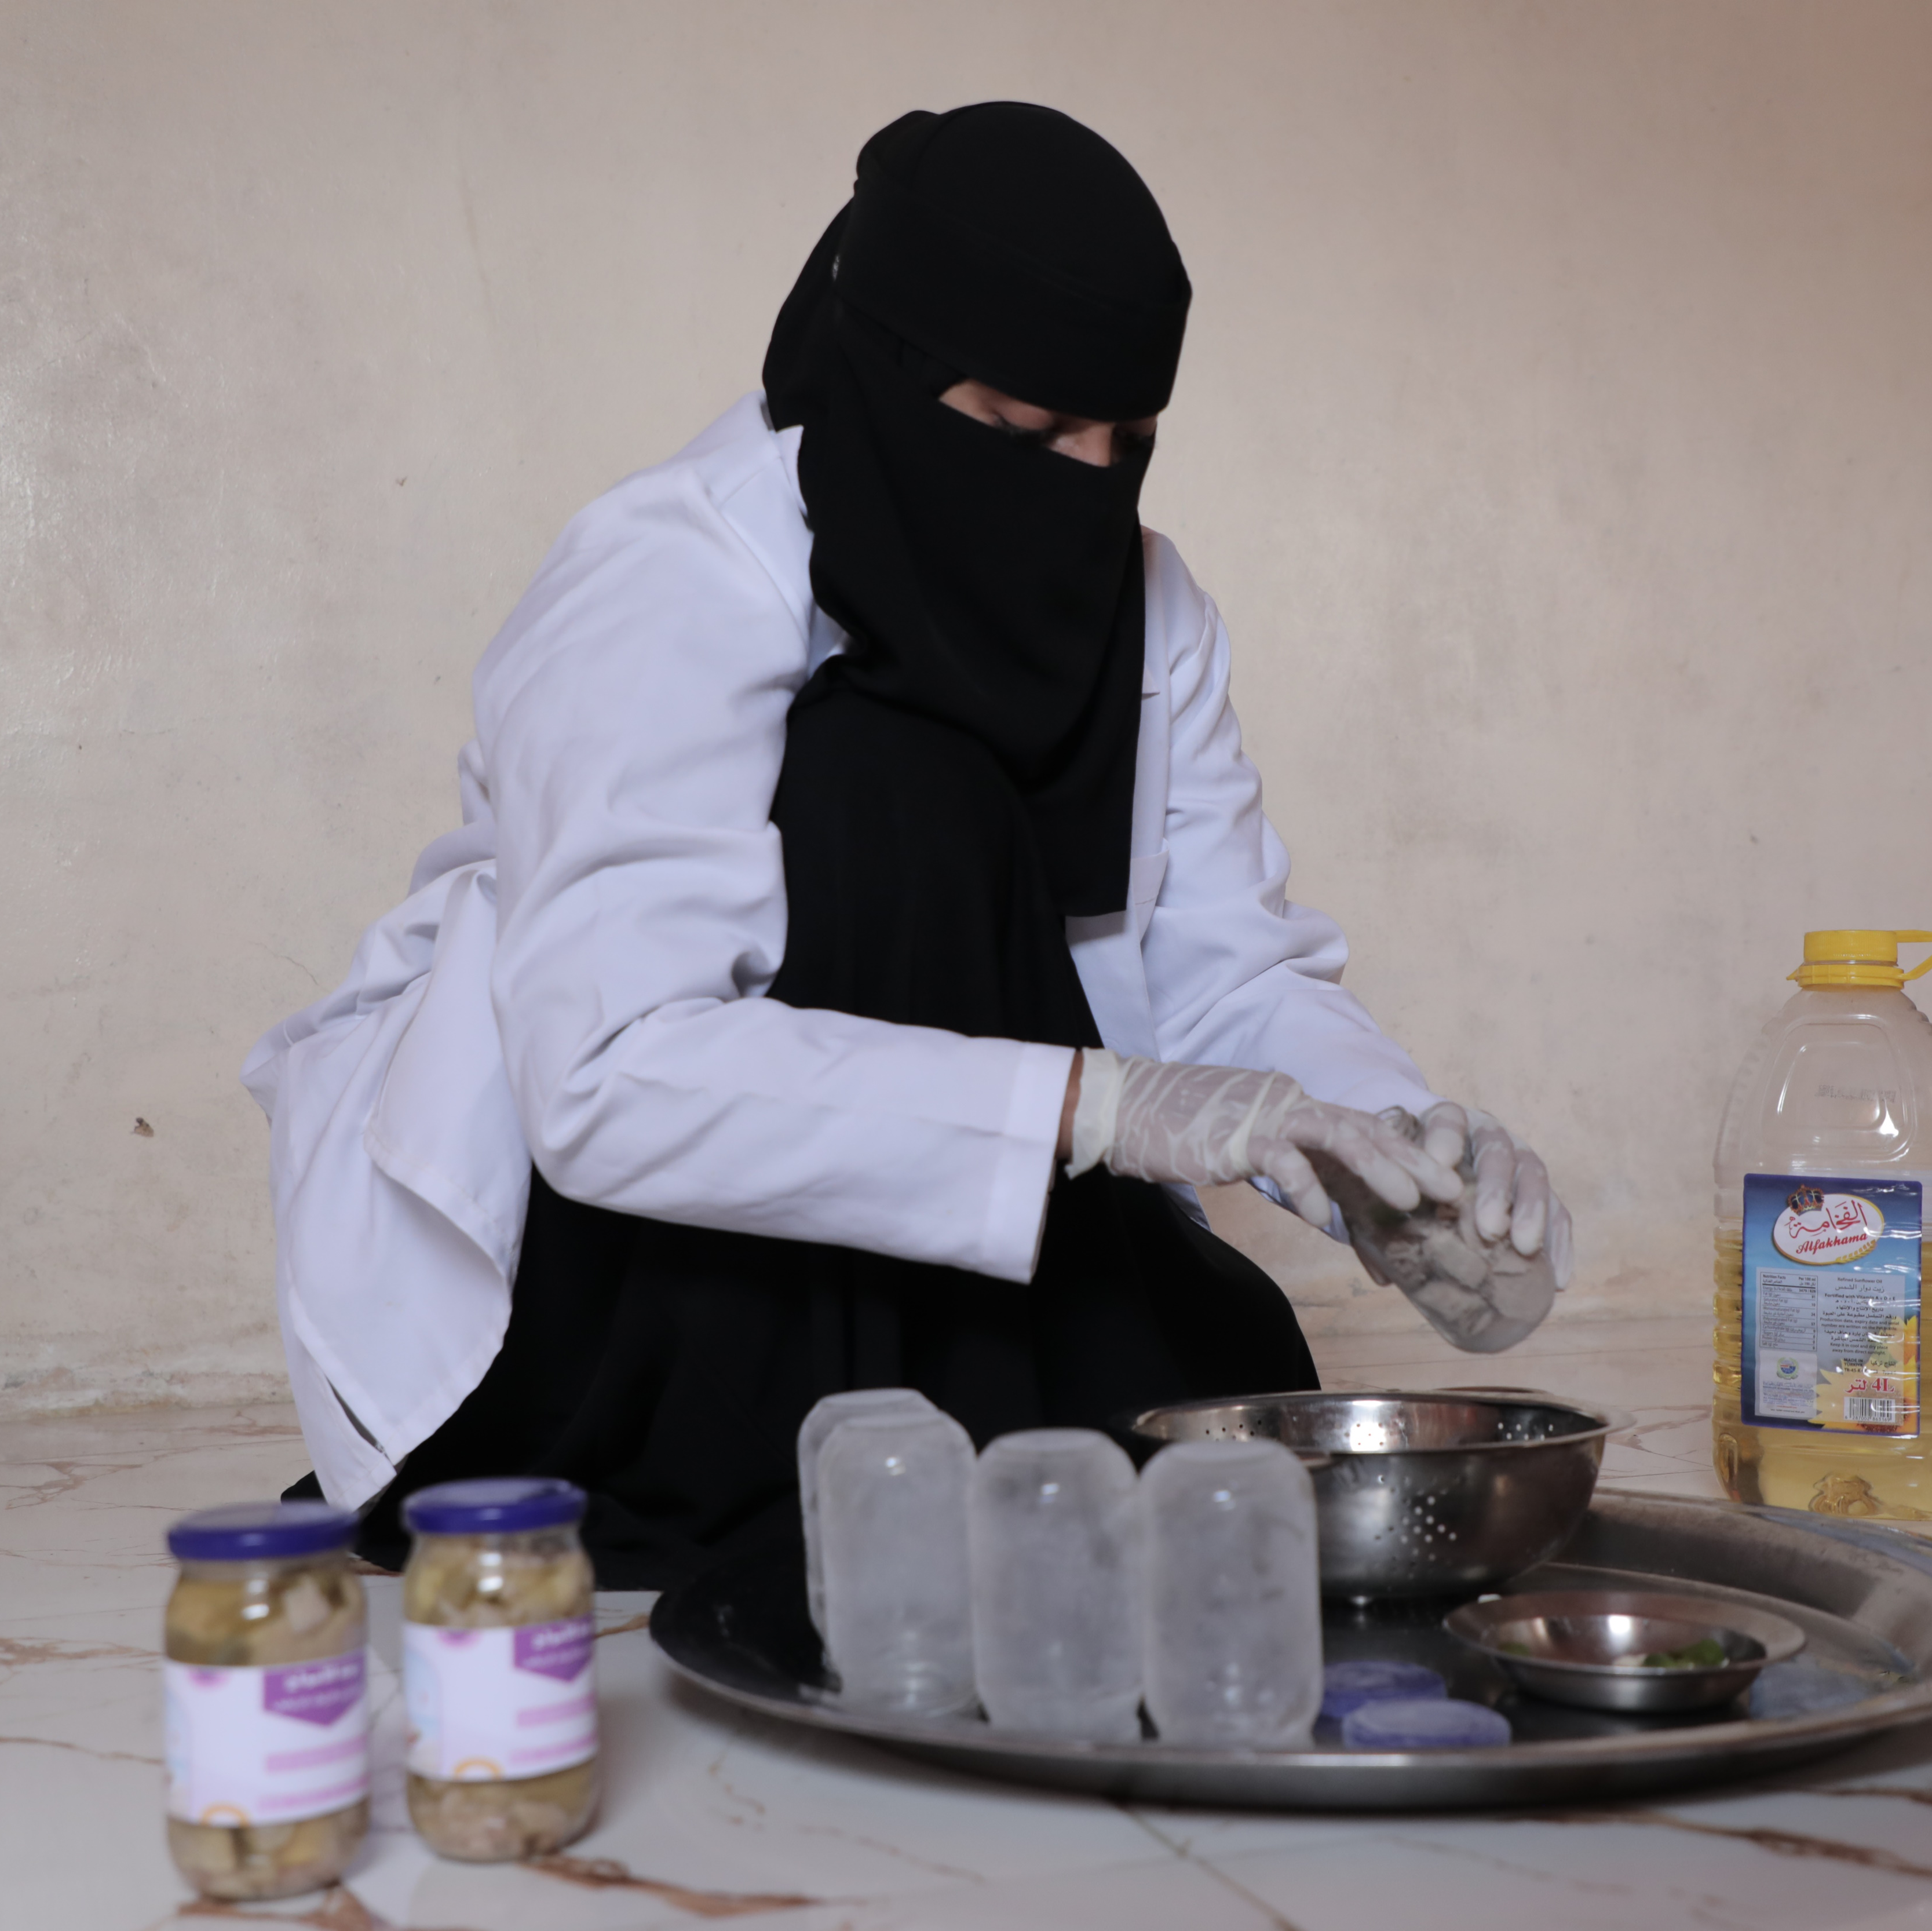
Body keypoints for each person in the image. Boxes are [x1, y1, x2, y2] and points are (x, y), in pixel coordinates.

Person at [243, 103, 1570, 1586]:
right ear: (881, 367)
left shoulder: (1151, 605)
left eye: (1121, 443)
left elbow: (1223, 973)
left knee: (1210, 1442)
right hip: (637, 1282)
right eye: (1020, 430)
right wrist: (1107, 1109)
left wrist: (1396, 1162)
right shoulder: (668, 573)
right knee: (892, 772)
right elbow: (608, 1080)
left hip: (999, 1223)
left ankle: (985, 1401)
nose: (1079, 482)